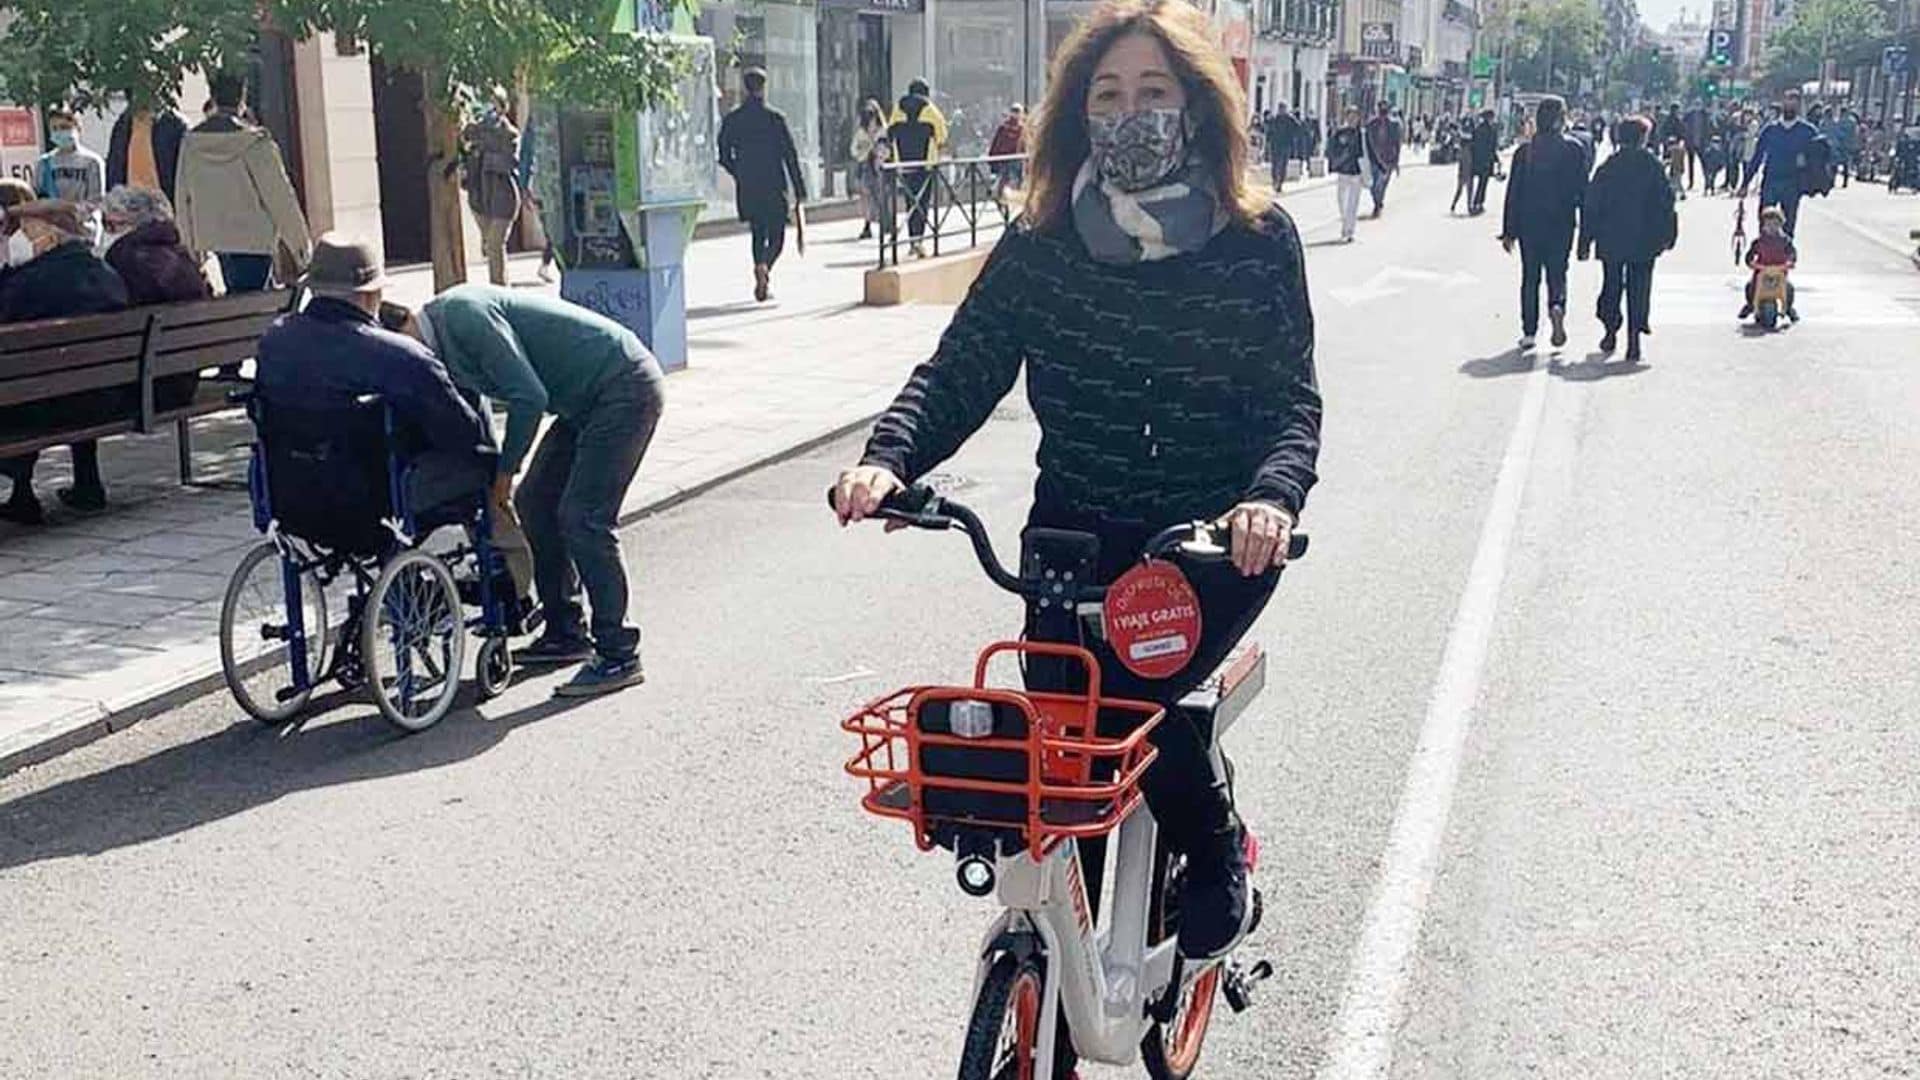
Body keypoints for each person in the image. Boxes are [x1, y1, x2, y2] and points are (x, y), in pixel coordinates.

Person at [831, 0, 1321, 981]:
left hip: (1208, 544)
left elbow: (1288, 402)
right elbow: (961, 366)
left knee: (1123, 701)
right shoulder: (1045, 240)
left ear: (1195, 104)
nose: (1129, 110)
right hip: (1072, 538)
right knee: (1057, 771)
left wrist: (1268, 500)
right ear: (1075, 113)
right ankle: (1064, 986)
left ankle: (1211, 831)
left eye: (1152, 90)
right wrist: (890, 458)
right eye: (1108, 93)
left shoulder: (1255, 242)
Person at [411, 285, 666, 697]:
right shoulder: (441, 343)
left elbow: (528, 395)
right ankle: (566, 631)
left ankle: (619, 653)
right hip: (584, 401)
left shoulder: (461, 314)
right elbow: (475, 409)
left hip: (623, 387)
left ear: (405, 322)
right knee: (535, 503)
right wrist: (486, 469)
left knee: (583, 517)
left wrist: (506, 471)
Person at [255, 235, 508, 561]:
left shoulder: (274, 340)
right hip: (370, 503)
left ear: (314, 289)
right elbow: (459, 432)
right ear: (370, 294)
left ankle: (405, 588)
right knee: (474, 457)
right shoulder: (397, 355)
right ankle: (501, 570)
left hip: (288, 496)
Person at [0, 199, 130, 523]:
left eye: (27, 230)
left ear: (52, 236)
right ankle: (88, 482)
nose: (18, 237)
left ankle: (23, 493)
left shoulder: (28, 282)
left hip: (43, 405)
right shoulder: (104, 273)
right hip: (104, 397)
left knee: (23, 389)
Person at [176, 70, 312, 295]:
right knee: (255, 307)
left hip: (211, 241)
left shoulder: (190, 144)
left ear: (213, 97)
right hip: (254, 241)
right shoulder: (256, 143)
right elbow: (280, 198)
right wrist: (301, 249)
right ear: (242, 98)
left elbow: (183, 198)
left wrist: (190, 247)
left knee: (237, 302)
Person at [98, 185, 209, 454]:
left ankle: (85, 481)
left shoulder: (125, 259)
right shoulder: (181, 255)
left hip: (143, 388)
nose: (105, 232)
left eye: (110, 224)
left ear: (133, 223)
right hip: (182, 379)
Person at [1578, 116, 1675, 363]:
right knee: (1639, 287)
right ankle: (1634, 339)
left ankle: (1610, 330)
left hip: (1611, 237)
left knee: (1612, 284)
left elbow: (1592, 204)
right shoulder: (1652, 166)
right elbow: (1666, 202)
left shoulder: (1609, 167)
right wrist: (1668, 234)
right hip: (1645, 238)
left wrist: (1585, 240)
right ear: (1643, 137)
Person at [1499, 95, 1588, 351]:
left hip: (1530, 223)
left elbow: (1514, 192)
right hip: (1562, 222)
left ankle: (1529, 331)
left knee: (1530, 276)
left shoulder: (1525, 152)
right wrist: (1587, 232)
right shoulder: (1574, 150)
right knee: (1558, 273)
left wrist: (1509, 231)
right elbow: (1583, 191)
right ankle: (1557, 306)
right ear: (1561, 119)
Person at [718, 67, 807, 303]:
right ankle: (766, 265)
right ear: (763, 87)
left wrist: (739, 172)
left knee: (758, 231)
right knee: (777, 235)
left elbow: (723, 154)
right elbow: (790, 155)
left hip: (748, 185)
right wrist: (799, 188)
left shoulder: (733, 119)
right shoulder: (775, 119)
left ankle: (759, 265)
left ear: (745, 87)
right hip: (773, 184)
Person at [457, 89, 523, 288]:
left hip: (503, 198)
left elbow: (511, 162)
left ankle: (500, 289)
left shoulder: (509, 133)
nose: (489, 109)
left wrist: (485, 156)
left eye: (494, 104)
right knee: (489, 245)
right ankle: (500, 284)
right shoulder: (475, 131)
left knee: (495, 245)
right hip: (479, 197)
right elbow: (463, 142)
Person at [1741, 89, 1819, 239]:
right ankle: (1764, 251)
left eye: (1794, 103)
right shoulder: (1770, 130)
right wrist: (1745, 183)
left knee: (1788, 222)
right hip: (1771, 180)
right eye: (1788, 101)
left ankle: (1786, 252)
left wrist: (1813, 179)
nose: (1790, 106)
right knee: (1765, 218)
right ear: (1783, 104)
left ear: (1799, 106)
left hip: (1793, 182)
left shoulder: (1808, 131)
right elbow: (1757, 157)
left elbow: (1819, 157)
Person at [889, 78, 950, 259]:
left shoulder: (898, 109)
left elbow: (890, 132)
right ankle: (919, 241)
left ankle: (912, 240)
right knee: (923, 202)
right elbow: (942, 136)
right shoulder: (930, 109)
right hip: (926, 164)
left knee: (910, 202)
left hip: (904, 164)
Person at [106, 96, 187, 201]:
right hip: (128, 208)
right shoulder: (123, 124)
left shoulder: (174, 125)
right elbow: (114, 170)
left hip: (163, 208)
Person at [34, 109, 106, 209]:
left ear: (78, 128)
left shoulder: (92, 161)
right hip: (51, 221)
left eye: (64, 127)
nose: (59, 132)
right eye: (54, 128)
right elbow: (37, 199)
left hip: (83, 222)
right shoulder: (43, 163)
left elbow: (96, 200)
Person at [1739, 205, 1798, 322]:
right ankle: (1750, 304)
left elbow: (1792, 253)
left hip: (1779, 272)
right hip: (1762, 271)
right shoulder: (1759, 242)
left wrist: (1790, 261)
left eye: (1775, 225)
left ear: (1781, 225)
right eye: (1769, 225)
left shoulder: (1785, 241)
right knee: (1751, 287)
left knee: (1788, 288)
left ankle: (1788, 308)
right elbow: (1750, 255)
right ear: (1764, 226)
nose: (1772, 228)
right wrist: (1751, 262)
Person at [850, 99, 891, 241]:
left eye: (872, 114)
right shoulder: (861, 132)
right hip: (865, 166)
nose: (870, 119)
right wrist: (863, 151)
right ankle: (867, 225)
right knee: (866, 196)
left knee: (881, 195)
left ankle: (885, 222)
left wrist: (880, 154)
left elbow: (888, 150)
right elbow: (854, 149)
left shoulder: (883, 131)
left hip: (879, 167)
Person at [1329, 106, 1365, 241]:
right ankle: (1345, 221)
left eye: (1355, 117)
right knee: (1341, 200)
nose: (1352, 119)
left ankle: (1349, 230)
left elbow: (1367, 152)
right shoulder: (1340, 133)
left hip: (1356, 172)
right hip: (1343, 171)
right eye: (1350, 116)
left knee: (1353, 203)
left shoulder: (1362, 134)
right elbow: (1332, 148)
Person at [1363, 100, 1402, 216]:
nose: (1382, 114)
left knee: (1382, 184)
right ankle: (1377, 201)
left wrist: (1396, 161)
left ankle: (1378, 204)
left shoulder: (1395, 125)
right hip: (1374, 160)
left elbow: (1397, 144)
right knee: (1373, 185)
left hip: (1388, 160)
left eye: (1385, 112)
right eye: (1381, 111)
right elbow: (1366, 142)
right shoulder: (1371, 124)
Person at [987, 102, 1029, 198]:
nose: (1017, 114)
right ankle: (1005, 197)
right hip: (1011, 157)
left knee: (1008, 178)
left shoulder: (1014, 127)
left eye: (1017, 112)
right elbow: (997, 141)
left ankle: (1003, 197)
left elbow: (996, 142)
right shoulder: (1014, 128)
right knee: (1011, 178)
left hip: (1012, 157)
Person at [1467, 108, 1500, 214]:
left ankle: (1471, 203)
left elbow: (1472, 144)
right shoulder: (1492, 131)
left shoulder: (1477, 129)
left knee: (1472, 182)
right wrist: (1496, 159)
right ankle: (1479, 203)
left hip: (1476, 160)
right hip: (1486, 161)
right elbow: (1492, 147)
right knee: (1483, 183)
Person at [1266, 102, 1303, 190]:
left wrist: (1293, 138)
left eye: (1283, 108)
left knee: (1283, 165)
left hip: (1286, 145)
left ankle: (1280, 183)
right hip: (1275, 145)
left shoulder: (1290, 119)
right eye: (1280, 108)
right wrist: (1268, 141)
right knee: (1275, 164)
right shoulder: (1275, 119)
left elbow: (1299, 127)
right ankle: (1275, 180)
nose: (1281, 110)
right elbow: (1269, 131)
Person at [1683, 100, 1711, 189]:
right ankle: (1691, 182)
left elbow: (1708, 128)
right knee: (1690, 164)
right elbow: (1683, 125)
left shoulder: (1705, 115)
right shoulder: (1689, 115)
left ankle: (1707, 181)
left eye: (1699, 105)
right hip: (1691, 142)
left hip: (1701, 143)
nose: (1697, 106)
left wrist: (1707, 140)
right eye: (1696, 104)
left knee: (1705, 163)